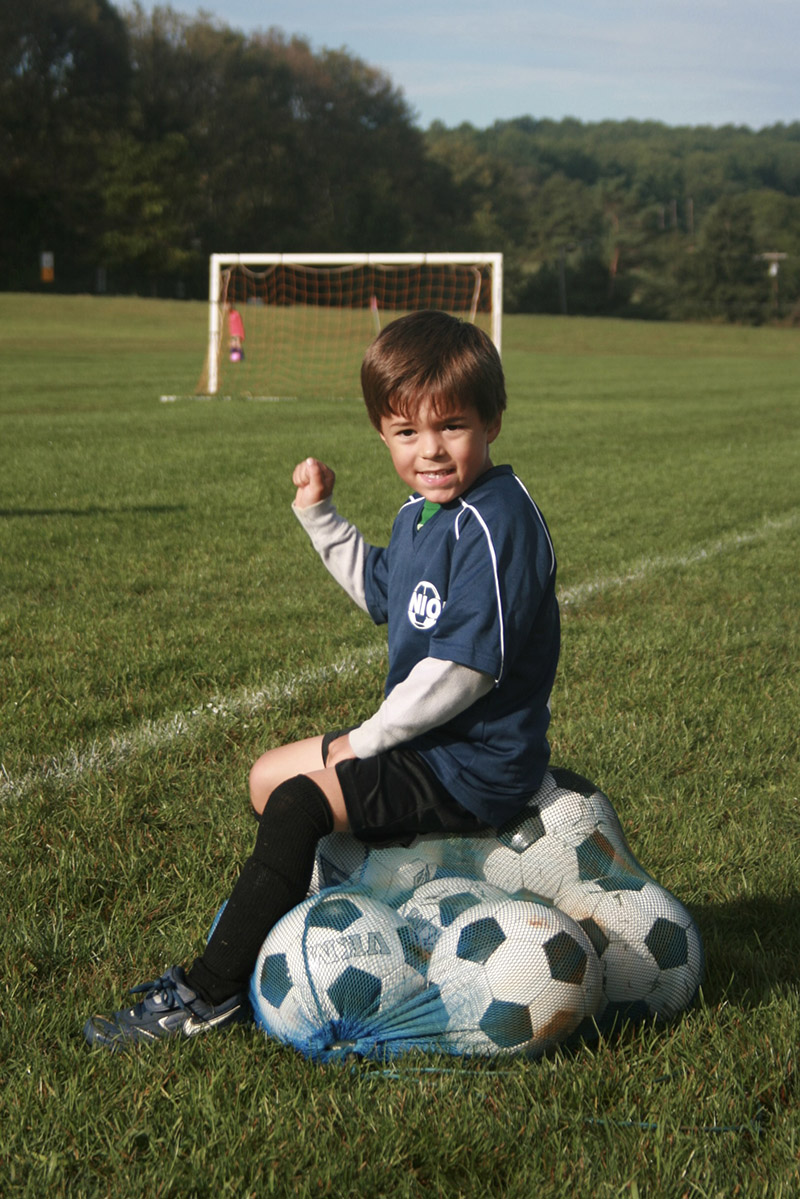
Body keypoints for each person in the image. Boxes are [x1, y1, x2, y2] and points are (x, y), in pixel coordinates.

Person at [84, 310, 560, 1049]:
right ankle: (337, 911)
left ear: (493, 421)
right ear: (382, 433)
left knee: (303, 799)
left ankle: (207, 995)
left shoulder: (499, 521)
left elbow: (464, 668)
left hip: (474, 764)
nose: (430, 450)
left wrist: (368, 741)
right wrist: (322, 518)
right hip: (429, 743)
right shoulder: (424, 515)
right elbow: (382, 589)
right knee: (267, 778)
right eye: (407, 433)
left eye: (452, 427)